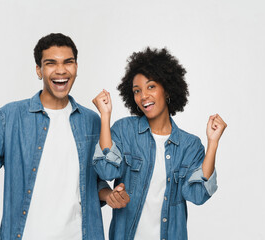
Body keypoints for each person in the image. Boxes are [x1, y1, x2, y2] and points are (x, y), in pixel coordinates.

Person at [0, 33, 129, 240]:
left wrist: (109, 194)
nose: (61, 70)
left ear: (76, 67)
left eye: (68, 62)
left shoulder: (91, 121)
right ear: (39, 70)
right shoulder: (10, 117)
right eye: (51, 63)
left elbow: (92, 180)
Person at [92, 47, 227, 239]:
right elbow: (106, 171)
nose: (143, 96)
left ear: (167, 89)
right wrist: (105, 116)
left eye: (151, 86)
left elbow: (197, 195)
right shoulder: (124, 130)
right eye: (137, 91)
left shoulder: (190, 145)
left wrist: (213, 143)